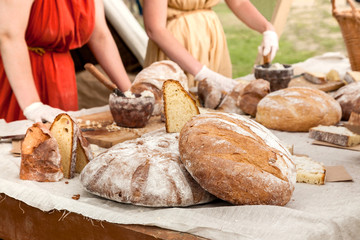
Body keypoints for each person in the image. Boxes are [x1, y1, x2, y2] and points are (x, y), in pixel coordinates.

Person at [0, 0, 132, 123]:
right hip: (18, 76)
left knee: (63, 140)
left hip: (62, 75)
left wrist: (129, 92)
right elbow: (9, 35)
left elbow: (100, 36)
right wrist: (32, 106)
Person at [142, 0, 279, 90]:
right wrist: (202, 73)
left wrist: (267, 28)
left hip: (212, 42)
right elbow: (155, 28)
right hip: (176, 49)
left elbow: (238, 3)